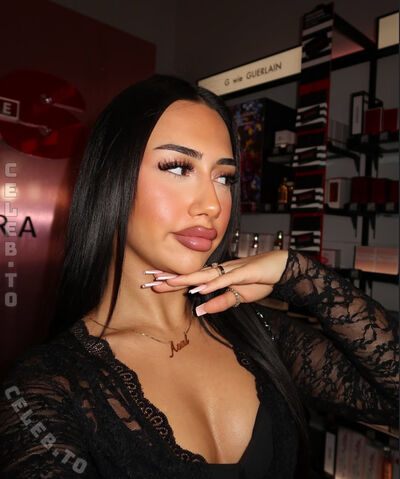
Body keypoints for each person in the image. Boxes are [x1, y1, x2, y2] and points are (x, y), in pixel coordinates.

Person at [0, 75, 398, 479]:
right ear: (111, 177)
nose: (212, 205)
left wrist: (299, 274)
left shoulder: (257, 333)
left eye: (224, 178)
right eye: (178, 167)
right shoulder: (47, 386)